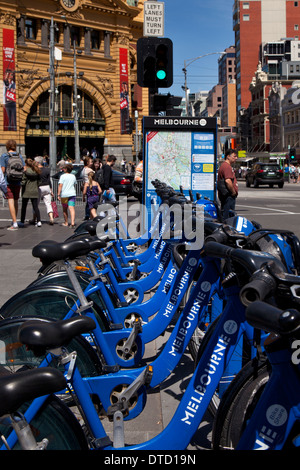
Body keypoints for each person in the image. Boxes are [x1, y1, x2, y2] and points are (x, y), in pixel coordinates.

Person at [0, 139, 25, 230]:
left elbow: (2, 170)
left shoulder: (4, 156)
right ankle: (14, 220)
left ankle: (14, 223)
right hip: (18, 181)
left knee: (10, 200)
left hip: (8, 181)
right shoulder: (19, 155)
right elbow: (24, 168)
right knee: (15, 200)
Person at [30, 156, 54, 225]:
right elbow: (49, 181)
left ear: (37, 162)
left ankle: (34, 218)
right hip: (47, 187)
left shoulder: (36, 170)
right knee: (48, 204)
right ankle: (51, 218)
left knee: (35, 204)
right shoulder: (47, 170)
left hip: (39, 187)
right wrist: (51, 190)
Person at [19, 158, 42, 227]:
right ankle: (39, 221)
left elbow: (23, 181)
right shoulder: (36, 170)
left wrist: (21, 184)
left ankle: (22, 221)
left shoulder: (26, 171)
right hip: (34, 190)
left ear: (26, 164)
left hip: (26, 190)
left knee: (24, 207)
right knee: (35, 207)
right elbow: (39, 182)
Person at [217, 148, 238, 221]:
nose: (236, 158)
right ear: (228, 156)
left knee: (225, 214)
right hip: (228, 196)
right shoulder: (227, 167)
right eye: (234, 156)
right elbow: (228, 181)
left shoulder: (224, 166)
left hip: (226, 195)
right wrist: (233, 192)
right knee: (228, 217)